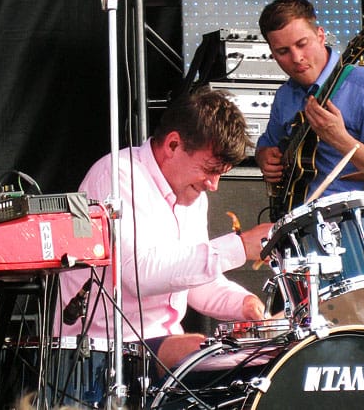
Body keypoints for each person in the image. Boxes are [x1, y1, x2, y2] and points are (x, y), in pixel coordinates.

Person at [56, 87, 271, 386]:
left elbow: (193, 281)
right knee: (210, 353)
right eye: (210, 170)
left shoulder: (192, 195)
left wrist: (243, 303)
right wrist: (240, 246)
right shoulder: (118, 176)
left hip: (157, 347)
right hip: (103, 351)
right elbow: (138, 274)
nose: (214, 185)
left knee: (256, 360)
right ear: (173, 145)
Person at [255, 0, 364, 211]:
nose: (297, 57)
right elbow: (268, 143)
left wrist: (341, 140)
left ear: (320, 36)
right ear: (273, 54)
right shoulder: (285, 96)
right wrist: (264, 158)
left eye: (302, 44)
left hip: (356, 223)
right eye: (283, 51)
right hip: (297, 224)